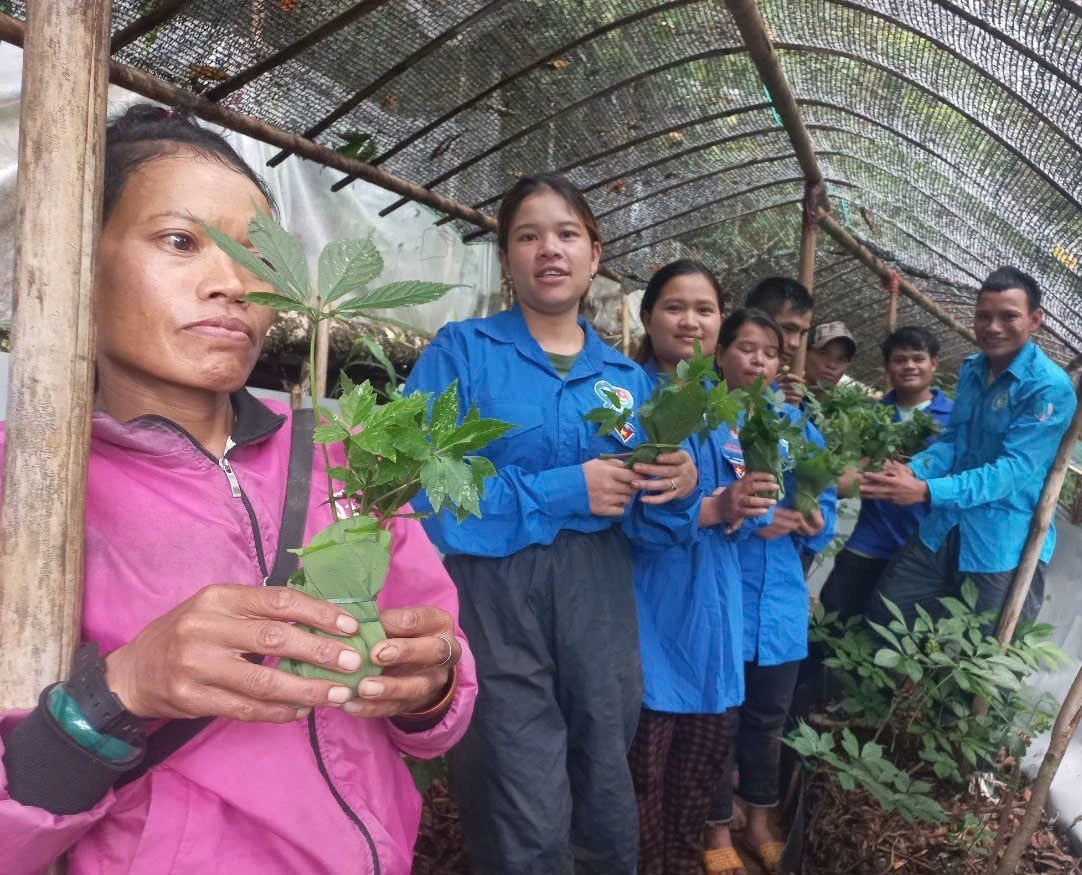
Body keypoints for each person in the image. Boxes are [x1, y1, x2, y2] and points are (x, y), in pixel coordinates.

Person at [0, 106, 474, 875]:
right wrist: (121, 688)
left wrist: (433, 682)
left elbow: (443, 681)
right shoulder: (25, 487)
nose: (232, 282)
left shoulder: (346, 448)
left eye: (259, 259)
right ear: (78, 257)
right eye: (181, 241)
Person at [402, 174, 701, 875]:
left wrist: (679, 489)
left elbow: (657, 532)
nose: (549, 249)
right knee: (517, 790)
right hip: (493, 597)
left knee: (603, 781)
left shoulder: (628, 380)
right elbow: (419, 487)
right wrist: (565, 489)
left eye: (566, 233)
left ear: (595, 254)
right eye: (527, 235)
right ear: (506, 258)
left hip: (599, 603)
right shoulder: (463, 353)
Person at [627, 260, 779, 875]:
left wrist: (743, 508)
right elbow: (630, 514)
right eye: (674, 306)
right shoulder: (629, 397)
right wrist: (715, 508)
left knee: (695, 788)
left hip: (714, 625)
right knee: (641, 788)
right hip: (652, 623)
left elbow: (733, 503)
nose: (690, 321)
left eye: (705, 310)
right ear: (647, 317)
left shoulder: (726, 411)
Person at [861, 267, 1076, 629]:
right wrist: (914, 470)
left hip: (1000, 544)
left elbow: (1011, 472)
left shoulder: (1048, 389)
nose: (993, 327)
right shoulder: (973, 369)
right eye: (983, 316)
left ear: (1035, 320)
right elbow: (954, 441)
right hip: (944, 526)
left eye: (1009, 316)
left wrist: (927, 490)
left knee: (976, 657)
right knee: (884, 617)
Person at [704, 309, 837, 875]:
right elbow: (696, 504)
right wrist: (744, 512)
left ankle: (759, 821)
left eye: (769, 352)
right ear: (721, 356)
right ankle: (714, 830)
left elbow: (824, 506)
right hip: (722, 598)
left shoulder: (799, 428)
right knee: (720, 718)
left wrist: (809, 519)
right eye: (745, 348)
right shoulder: (706, 423)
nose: (758, 360)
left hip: (779, 604)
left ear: (782, 364)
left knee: (768, 719)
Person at [819, 326, 953, 619]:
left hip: (919, 552)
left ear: (934, 363)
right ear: (888, 367)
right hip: (867, 542)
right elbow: (842, 477)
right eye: (899, 359)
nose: (909, 366)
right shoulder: (871, 416)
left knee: (888, 637)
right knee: (830, 626)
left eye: (917, 358)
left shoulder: (953, 420)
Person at [742, 277, 815, 406]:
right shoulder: (704, 382)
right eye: (788, 329)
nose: (795, 343)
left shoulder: (782, 395)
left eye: (802, 333)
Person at [804, 321, 857, 398]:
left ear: (847, 367)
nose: (832, 365)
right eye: (823, 353)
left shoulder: (841, 408)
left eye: (841, 359)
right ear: (805, 353)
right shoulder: (781, 392)